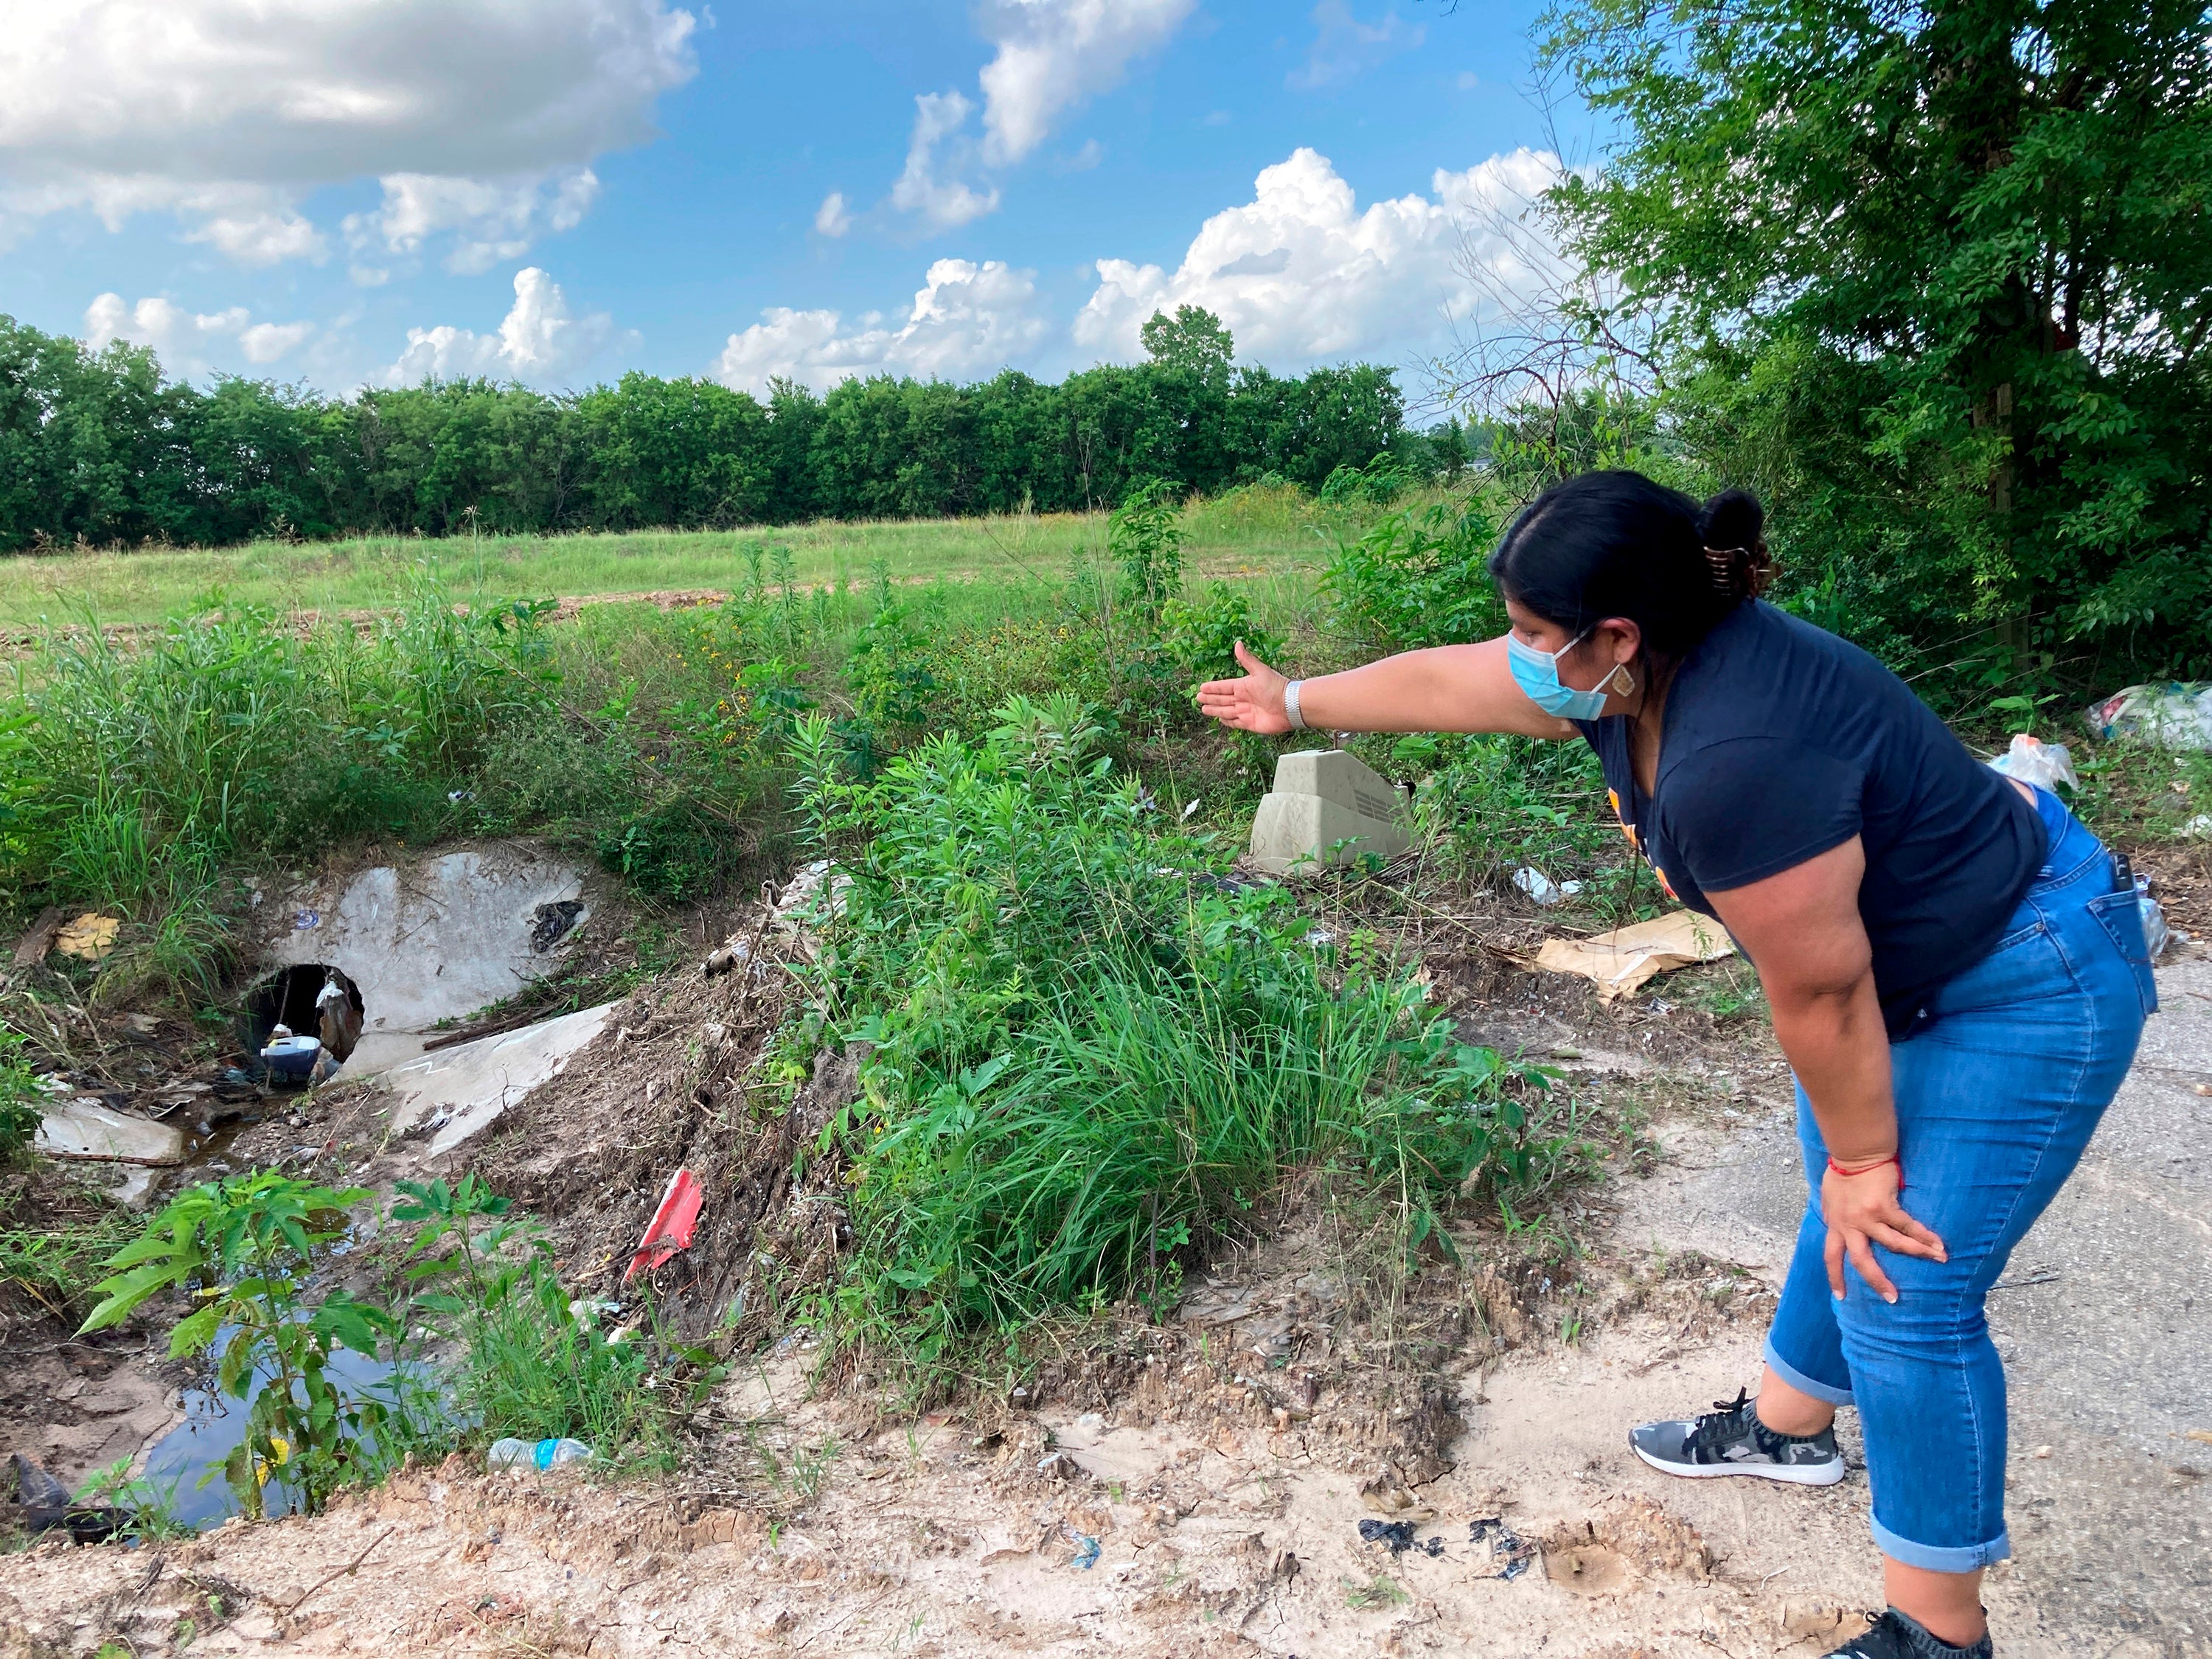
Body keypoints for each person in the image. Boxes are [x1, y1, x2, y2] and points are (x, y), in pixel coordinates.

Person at [1196, 471, 2155, 1659]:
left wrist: (1865, 1156)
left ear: (1617, 637)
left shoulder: (1734, 753)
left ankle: (1940, 1634)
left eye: (1537, 633)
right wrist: (1297, 698)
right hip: (1910, 962)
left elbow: (1821, 987)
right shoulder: (1638, 667)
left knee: (1906, 1287)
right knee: (1848, 1216)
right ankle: (1788, 1429)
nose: (1520, 653)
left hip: (2023, 969)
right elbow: (1456, 677)